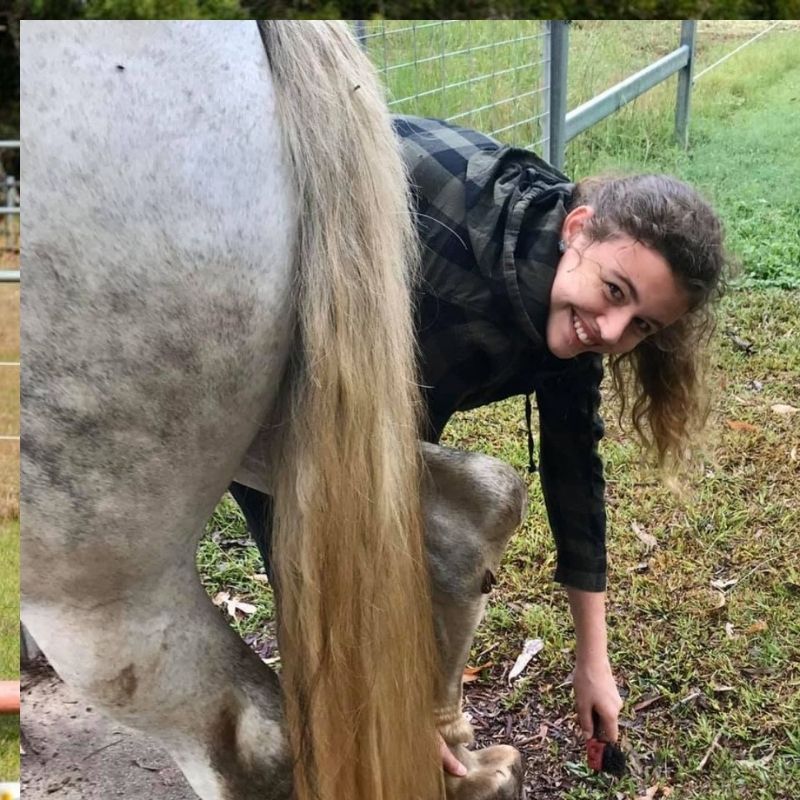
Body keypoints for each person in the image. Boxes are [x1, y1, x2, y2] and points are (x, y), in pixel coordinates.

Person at [229, 114, 728, 773]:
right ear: (577, 230)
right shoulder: (445, 256)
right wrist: (386, 690)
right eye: (614, 293)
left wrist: (593, 663)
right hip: (264, 321)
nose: (611, 330)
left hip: (375, 371)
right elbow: (334, 485)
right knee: (338, 552)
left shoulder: (566, 292)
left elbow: (576, 473)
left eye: (641, 325)